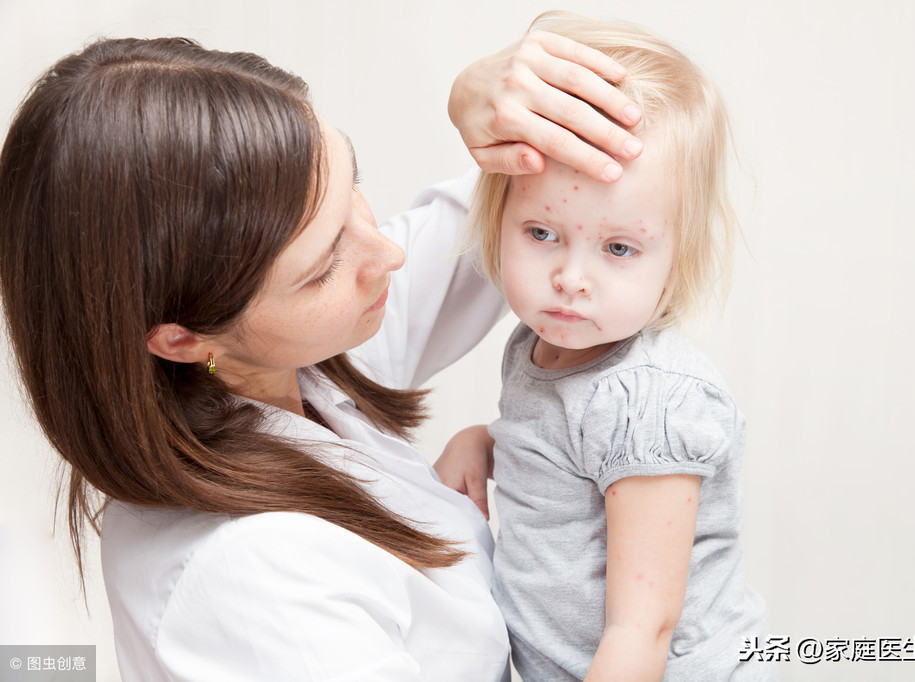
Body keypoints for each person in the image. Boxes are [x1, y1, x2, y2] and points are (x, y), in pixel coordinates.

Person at [0, 31, 647, 681]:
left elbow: (507, 228)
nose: (385, 254)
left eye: (352, 189)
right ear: (184, 339)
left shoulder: (284, 359)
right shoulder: (255, 580)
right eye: (322, 265)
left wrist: (498, 112)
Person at [435, 12, 772, 681]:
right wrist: (482, 442)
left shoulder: (647, 401)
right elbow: (566, 462)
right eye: (540, 232)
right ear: (499, 216)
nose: (570, 278)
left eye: (618, 248)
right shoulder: (539, 343)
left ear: (677, 257)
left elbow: (642, 628)